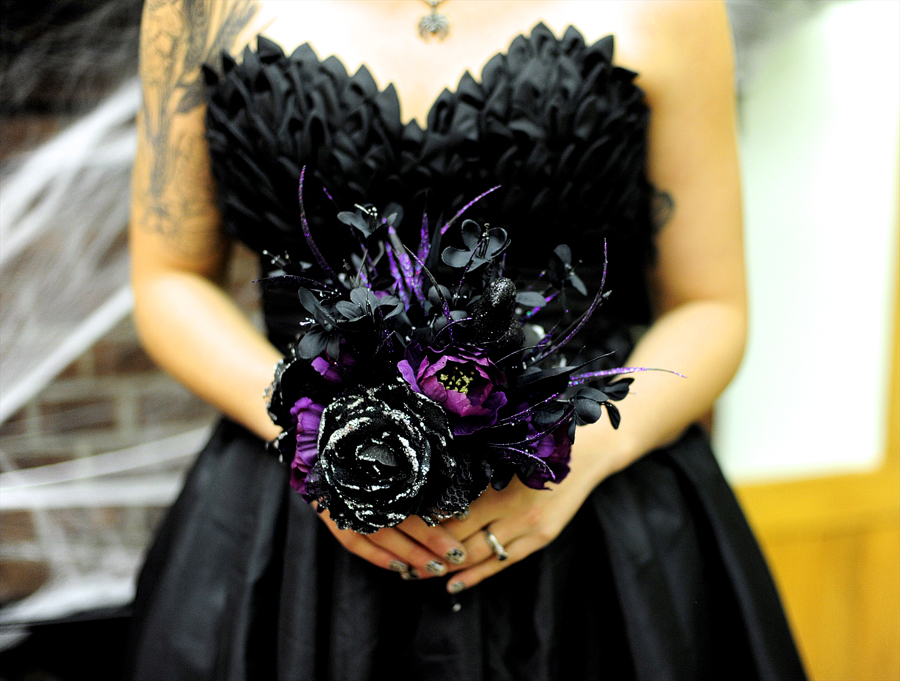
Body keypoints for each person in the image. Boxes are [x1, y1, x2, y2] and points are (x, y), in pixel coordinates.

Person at [126, 1, 807, 679]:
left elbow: (711, 308)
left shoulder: (675, 11)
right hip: (298, 541)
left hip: (587, 533)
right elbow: (169, 281)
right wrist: (316, 441)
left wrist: (583, 457)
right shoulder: (195, 10)